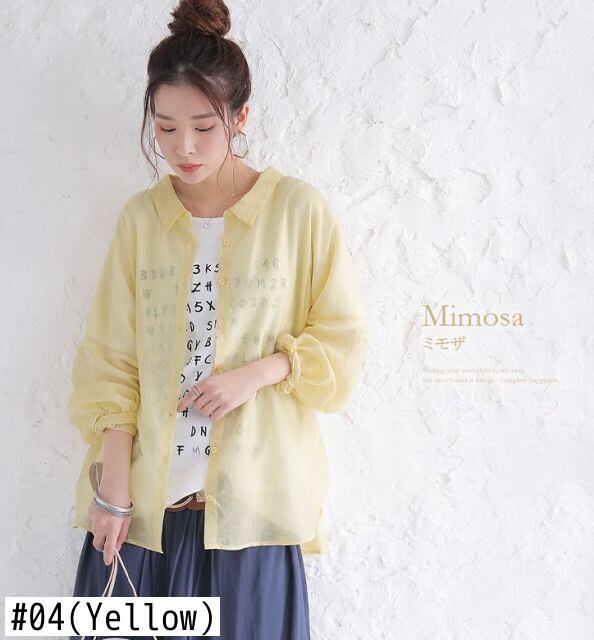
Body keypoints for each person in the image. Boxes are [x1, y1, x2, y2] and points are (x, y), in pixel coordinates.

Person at [67, 1, 369, 638]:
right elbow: (111, 361)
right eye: (166, 127)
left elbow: (340, 342)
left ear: (240, 118)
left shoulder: (296, 211)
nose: (183, 147)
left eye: (204, 127)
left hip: (251, 523)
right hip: (144, 520)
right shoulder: (142, 220)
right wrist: (113, 490)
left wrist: (258, 372)